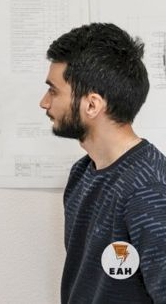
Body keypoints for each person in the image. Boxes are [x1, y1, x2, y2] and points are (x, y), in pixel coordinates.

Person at [40, 23, 166, 303]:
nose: (44, 103)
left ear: (92, 105)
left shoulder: (149, 192)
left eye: (54, 91)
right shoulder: (82, 173)